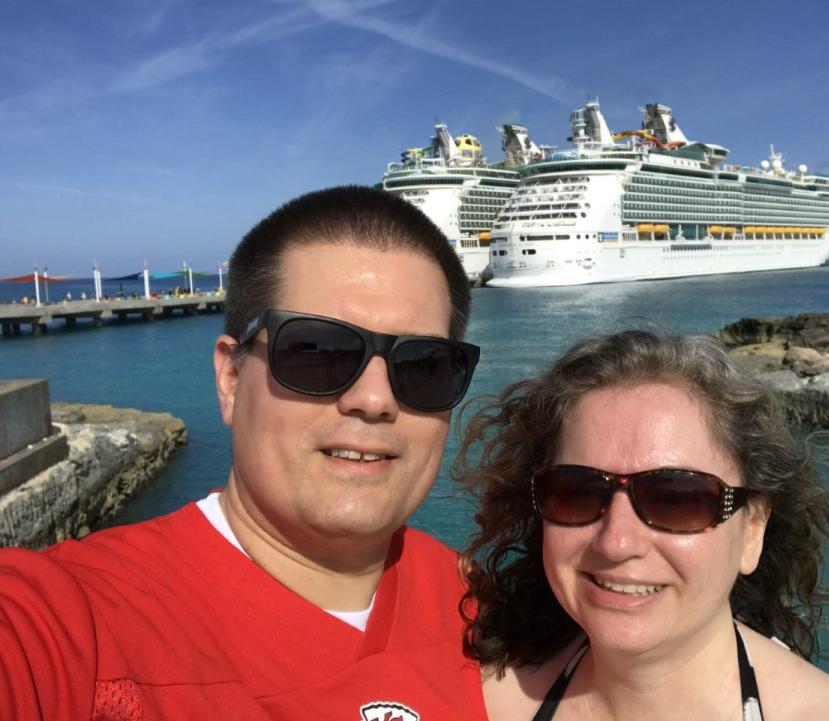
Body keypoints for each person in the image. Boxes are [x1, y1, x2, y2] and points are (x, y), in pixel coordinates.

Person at [0, 186, 487, 719]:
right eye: (316, 351)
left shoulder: (483, 612)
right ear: (231, 379)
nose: (374, 400)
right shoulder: (72, 624)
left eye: (424, 365)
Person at [455, 328, 829, 721]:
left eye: (676, 498)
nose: (617, 541)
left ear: (753, 529)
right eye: (578, 491)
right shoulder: (474, 699)